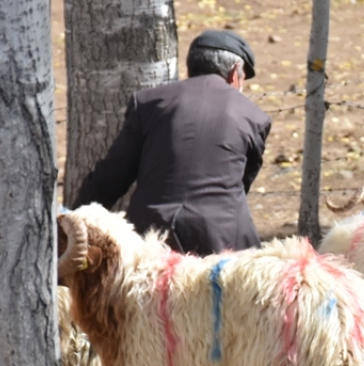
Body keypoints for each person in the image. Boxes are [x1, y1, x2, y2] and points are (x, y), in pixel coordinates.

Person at [73, 29, 271, 256]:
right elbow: (240, 186)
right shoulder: (254, 116)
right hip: (223, 243)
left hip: (150, 239)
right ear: (235, 73)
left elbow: (112, 177)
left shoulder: (148, 103)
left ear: (191, 67)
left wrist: (74, 219)